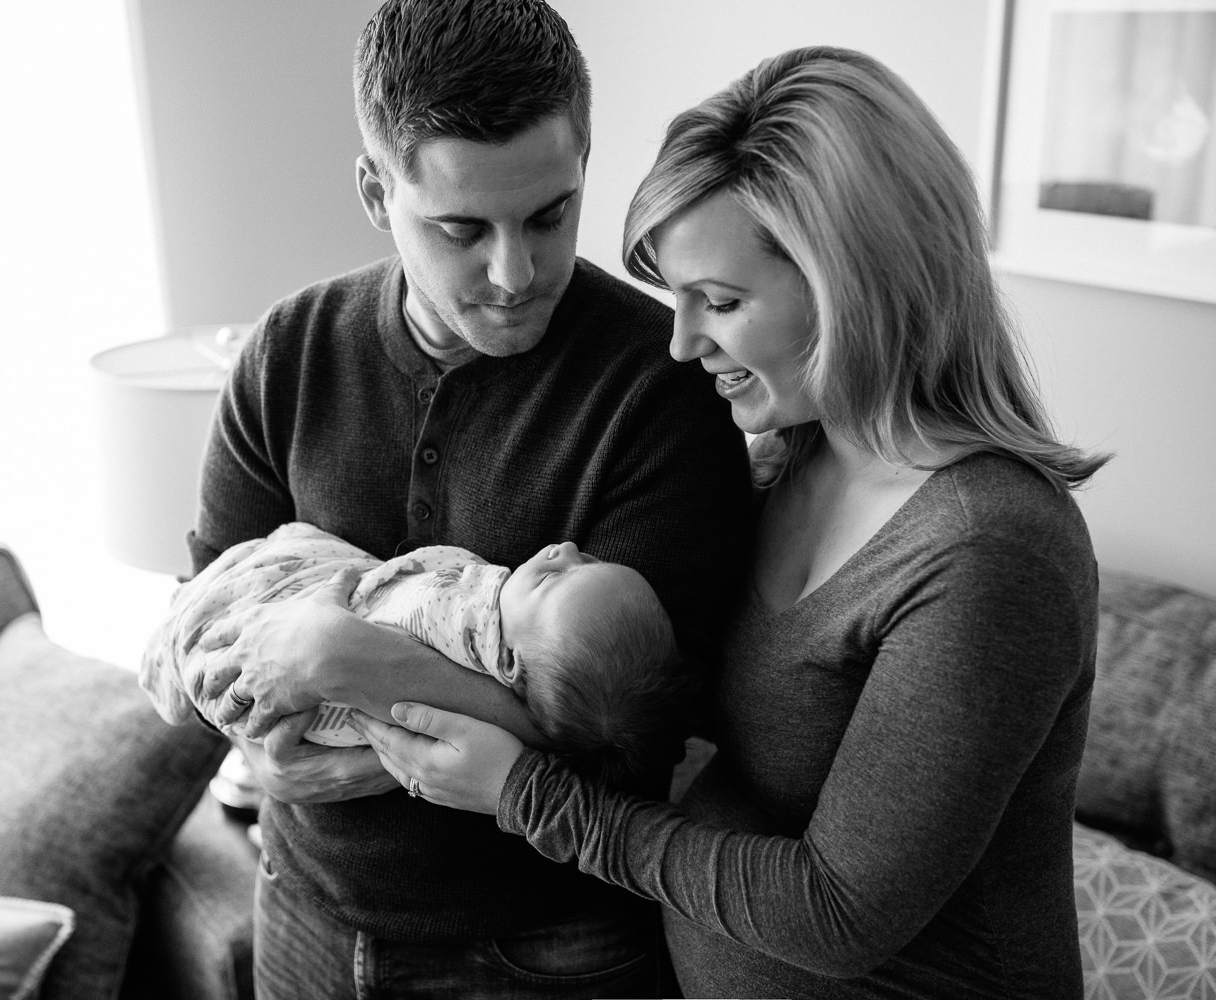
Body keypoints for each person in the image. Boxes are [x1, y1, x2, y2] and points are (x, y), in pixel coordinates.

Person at [346, 45, 1112, 1000]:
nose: (681, 340)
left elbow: (837, 915)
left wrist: (522, 794)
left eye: (721, 302)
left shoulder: (988, 548)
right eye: (677, 297)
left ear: (855, 284)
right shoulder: (784, 465)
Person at [137, 0, 750, 996]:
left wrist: (369, 668)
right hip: (307, 907)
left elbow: (642, 730)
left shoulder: (661, 387)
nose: (516, 273)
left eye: (551, 214)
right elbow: (206, 601)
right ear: (378, 192)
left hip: (550, 943)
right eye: (463, 228)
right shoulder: (289, 352)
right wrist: (261, 742)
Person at [142, 521, 689, 784]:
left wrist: (336, 651)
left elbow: (616, 734)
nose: (563, 549)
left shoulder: (464, 614)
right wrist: (266, 770)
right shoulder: (287, 349)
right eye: (587, 558)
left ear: (510, 665)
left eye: (553, 578)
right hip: (303, 884)